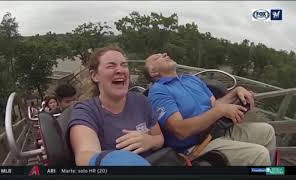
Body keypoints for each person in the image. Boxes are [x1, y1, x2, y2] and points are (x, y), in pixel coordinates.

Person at [144, 53, 276, 166]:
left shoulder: (191, 79)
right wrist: (220, 111)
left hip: (218, 131)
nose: (165, 54)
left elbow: (215, 105)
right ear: (153, 72)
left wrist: (236, 91)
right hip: (196, 147)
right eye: (158, 57)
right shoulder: (158, 92)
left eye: (164, 54)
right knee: (259, 155)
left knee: (268, 131)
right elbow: (180, 130)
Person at [68, 47, 164, 166]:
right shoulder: (85, 111)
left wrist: (149, 141)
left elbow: (159, 137)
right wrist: (114, 161)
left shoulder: (140, 100)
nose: (120, 70)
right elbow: (85, 156)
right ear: (94, 76)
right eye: (111, 66)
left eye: (124, 65)